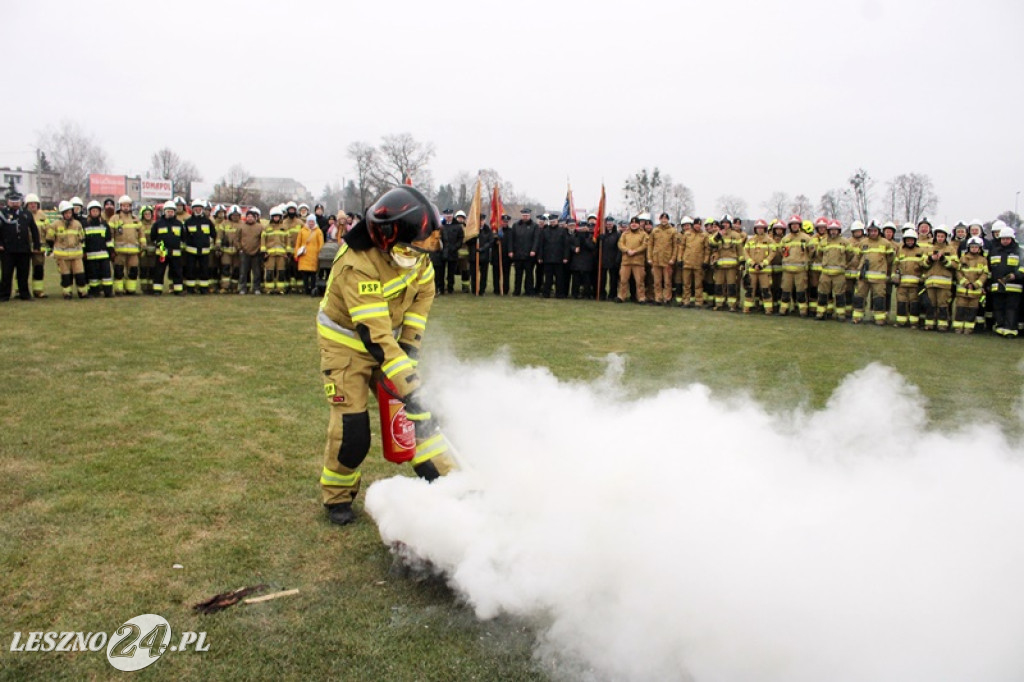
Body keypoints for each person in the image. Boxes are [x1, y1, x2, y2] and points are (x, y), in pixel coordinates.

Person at [316, 185, 454, 526]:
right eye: (410, 249)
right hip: (347, 346)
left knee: (418, 418)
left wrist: (409, 356)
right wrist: (411, 385)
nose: (418, 257)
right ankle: (337, 495)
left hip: (388, 346)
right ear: (386, 238)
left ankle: (449, 482)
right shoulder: (357, 264)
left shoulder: (418, 258)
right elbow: (374, 335)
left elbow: (420, 306)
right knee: (352, 430)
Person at [0, 191, 41, 302]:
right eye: (12, 201)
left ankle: (24, 294)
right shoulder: (2, 213)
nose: (15, 204)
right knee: (6, 274)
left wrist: (36, 245)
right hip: (7, 249)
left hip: (23, 249)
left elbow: (34, 230)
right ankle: (4, 295)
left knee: (23, 273)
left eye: (17, 201)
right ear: (8, 202)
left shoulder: (26, 214)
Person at [850, 221, 893, 325]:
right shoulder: (863, 243)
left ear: (879, 231)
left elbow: (890, 259)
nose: (873, 233)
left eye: (875, 231)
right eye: (871, 231)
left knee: (879, 297)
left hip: (879, 277)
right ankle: (857, 317)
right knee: (859, 296)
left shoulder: (886, 243)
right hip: (863, 276)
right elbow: (857, 257)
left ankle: (879, 318)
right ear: (868, 231)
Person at [920, 223, 958, 331]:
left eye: (942, 236)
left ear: (946, 237)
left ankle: (942, 325)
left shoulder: (951, 249)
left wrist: (944, 260)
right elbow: (922, 264)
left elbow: (955, 265)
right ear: (935, 236)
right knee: (931, 304)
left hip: (944, 284)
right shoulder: (929, 249)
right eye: (938, 236)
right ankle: (929, 324)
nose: (940, 238)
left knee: (943, 304)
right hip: (930, 283)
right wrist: (930, 259)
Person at [987, 221, 1022, 338]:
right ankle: (1000, 328)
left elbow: (1023, 267)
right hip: (997, 286)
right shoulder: (994, 251)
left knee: (1011, 309)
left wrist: (1016, 275)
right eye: (1003, 239)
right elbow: (989, 268)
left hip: (1014, 286)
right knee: (998, 308)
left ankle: (1010, 330)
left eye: (1007, 239)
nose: (1005, 241)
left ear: (1012, 239)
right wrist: (989, 283)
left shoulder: (1019, 251)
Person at [109, 195, 146, 295]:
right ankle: (119, 290)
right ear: (120, 206)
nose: (126, 208)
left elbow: (141, 233)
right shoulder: (114, 218)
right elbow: (110, 234)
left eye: (128, 206)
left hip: (134, 251)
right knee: (118, 271)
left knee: (133, 271)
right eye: (124, 206)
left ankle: (131, 290)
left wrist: (143, 245)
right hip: (119, 251)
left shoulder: (135, 219)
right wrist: (111, 248)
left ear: (130, 206)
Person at [779, 214, 814, 316]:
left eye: (796, 224)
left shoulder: (806, 238)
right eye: (792, 224)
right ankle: (783, 310)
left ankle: (803, 311)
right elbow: (781, 251)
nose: (794, 226)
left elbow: (811, 252)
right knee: (785, 291)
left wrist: (804, 260)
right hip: (787, 271)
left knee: (801, 291)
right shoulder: (785, 239)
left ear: (800, 225)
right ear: (790, 226)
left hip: (800, 270)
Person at [953, 236, 989, 334]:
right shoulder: (963, 259)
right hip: (962, 291)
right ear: (968, 248)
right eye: (972, 247)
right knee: (960, 309)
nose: (974, 249)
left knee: (972, 310)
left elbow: (985, 274)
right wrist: (966, 283)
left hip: (975, 292)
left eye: (976, 247)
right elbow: (958, 272)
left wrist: (976, 285)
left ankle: (968, 328)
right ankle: (958, 327)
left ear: (980, 248)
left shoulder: (983, 260)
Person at [708, 215, 743, 311]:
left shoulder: (736, 235)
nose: (725, 225)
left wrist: (742, 263)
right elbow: (711, 244)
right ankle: (719, 304)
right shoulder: (717, 234)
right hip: (719, 265)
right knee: (718, 285)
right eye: (723, 223)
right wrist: (719, 235)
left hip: (732, 266)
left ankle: (732, 305)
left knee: (731, 286)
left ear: (730, 224)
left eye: (727, 223)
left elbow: (740, 250)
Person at [892, 228, 926, 327]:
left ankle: (914, 323)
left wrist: (923, 278)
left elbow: (925, 267)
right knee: (901, 302)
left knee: (914, 303)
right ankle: (901, 322)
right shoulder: (900, 250)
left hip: (915, 284)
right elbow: (895, 264)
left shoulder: (920, 251)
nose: (909, 242)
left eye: (911, 240)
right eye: (907, 240)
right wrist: (894, 276)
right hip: (902, 284)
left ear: (915, 240)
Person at [82, 200, 115, 298]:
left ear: (100, 212)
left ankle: (108, 292)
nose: (95, 212)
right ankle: (94, 292)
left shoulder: (104, 225)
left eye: (97, 211)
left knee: (106, 275)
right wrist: (83, 252)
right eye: (93, 211)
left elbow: (108, 240)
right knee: (93, 276)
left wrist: (111, 251)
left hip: (104, 256)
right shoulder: (85, 225)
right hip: (91, 256)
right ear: (89, 212)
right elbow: (83, 241)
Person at [151, 202, 185, 295]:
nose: (170, 213)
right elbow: (153, 237)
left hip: (175, 252)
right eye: (168, 211)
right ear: (164, 212)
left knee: (177, 272)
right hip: (162, 251)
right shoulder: (158, 224)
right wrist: (159, 245)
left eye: (171, 212)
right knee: (159, 271)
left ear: (174, 212)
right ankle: (157, 290)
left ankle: (178, 290)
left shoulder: (179, 224)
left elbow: (183, 237)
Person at [182, 199, 216, 294]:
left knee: (204, 270)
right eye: (196, 208)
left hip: (204, 251)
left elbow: (213, 234)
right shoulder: (188, 222)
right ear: (192, 209)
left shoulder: (207, 221)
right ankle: (190, 289)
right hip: (191, 251)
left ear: (202, 209)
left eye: (200, 208)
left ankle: (204, 289)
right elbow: (184, 236)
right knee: (191, 270)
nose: (198, 210)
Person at [535, 214, 572, 298]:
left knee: (559, 278)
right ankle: (546, 293)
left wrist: (566, 257)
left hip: (559, 259)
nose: (552, 223)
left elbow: (566, 245)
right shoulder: (545, 231)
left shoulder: (562, 231)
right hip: (547, 258)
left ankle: (559, 294)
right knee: (548, 278)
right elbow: (541, 245)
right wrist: (540, 257)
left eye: (554, 221)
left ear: (557, 221)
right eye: (551, 222)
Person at [742, 219, 774, 314]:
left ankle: (768, 310)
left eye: (762, 228)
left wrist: (762, 264)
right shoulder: (750, 240)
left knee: (765, 290)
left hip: (764, 271)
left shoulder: (770, 241)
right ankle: (747, 308)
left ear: (765, 229)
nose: (760, 229)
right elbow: (745, 253)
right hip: (752, 270)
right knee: (750, 290)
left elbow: (772, 254)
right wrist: (753, 264)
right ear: (755, 229)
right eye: (758, 228)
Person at [647, 212, 678, 305]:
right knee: (657, 281)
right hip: (656, 260)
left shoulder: (673, 231)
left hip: (667, 260)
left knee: (667, 282)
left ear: (668, 220)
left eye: (666, 218)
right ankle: (658, 298)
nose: (664, 220)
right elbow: (650, 245)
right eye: (662, 218)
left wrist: (673, 258)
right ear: (660, 219)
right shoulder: (655, 231)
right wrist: (649, 258)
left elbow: (675, 246)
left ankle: (667, 298)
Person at [617, 216, 649, 303]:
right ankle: (621, 297)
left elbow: (645, 245)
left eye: (636, 223)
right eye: (632, 223)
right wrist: (627, 250)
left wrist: (635, 251)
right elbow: (620, 244)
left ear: (639, 224)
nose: (634, 224)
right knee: (623, 280)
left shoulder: (643, 234)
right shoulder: (625, 234)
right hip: (626, 261)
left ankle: (641, 298)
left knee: (639, 281)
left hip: (638, 262)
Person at [676, 216, 706, 308]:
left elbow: (707, 250)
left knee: (698, 285)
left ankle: (698, 302)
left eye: (699, 224)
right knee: (686, 284)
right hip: (687, 263)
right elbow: (681, 247)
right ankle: (686, 301)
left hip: (698, 263)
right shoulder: (687, 234)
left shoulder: (704, 236)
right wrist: (680, 259)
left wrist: (705, 261)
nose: (697, 226)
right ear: (693, 225)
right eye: (696, 224)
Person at [23, 193, 48, 297]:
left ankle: (38, 291)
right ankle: (19, 290)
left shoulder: (43, 216)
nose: (33, 205)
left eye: (35, 203)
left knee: (38, 269)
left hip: (39, 247)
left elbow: (48, 231)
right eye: (30, 203)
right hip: (25, 247)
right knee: (22, 269)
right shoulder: (22, 215)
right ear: (26, 205)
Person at [508, 208, 538, 296]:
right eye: (524, 215)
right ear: (521, 215)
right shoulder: (516, 225)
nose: (525, 217)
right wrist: (510, 250)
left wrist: (533, 250)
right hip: (518, 255)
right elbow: (511, 239)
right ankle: (517, 291)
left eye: (527, 215)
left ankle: (529, 291)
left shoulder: (534, 226)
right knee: (518, 274)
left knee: (529, 275)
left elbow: (536, 240)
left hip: (529, 255)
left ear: (529, 215)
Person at [261, 206, 289, 294]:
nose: (276, 218)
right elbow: (263, 240)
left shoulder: (284, 227)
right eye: (274, 216)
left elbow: (288, 240)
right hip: (270, 254)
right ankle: (269, 289)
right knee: (269, 272)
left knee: (281, 272)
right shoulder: (267, 228)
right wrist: (264, 252)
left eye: (278, 216)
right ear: (271, 217)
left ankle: (280, 289)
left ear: (280, 217)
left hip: (282, 255)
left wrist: (287, 252)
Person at [295, 213, 325, 295]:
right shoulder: (302, 231)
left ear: (315, 222)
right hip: (303, 256)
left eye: (312, 221)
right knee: (305, 275)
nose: (311, 223)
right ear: (307, 222)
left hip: (314, 256)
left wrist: (319, 254)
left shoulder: (318, 231)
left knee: (313, 275)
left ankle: (312, 289)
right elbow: (298, 243)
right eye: (309, 221)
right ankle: (306, 289)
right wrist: (296, 254)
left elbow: (321, 244)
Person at [237, 208, 264, 295]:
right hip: (244, 252)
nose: (250, 218)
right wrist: (240, 248)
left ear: (255, 218)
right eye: (248, 217)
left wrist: (260, 249)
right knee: (243, 272)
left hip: (256, 253)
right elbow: (237, 238)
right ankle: (243, 288)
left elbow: (263, 239)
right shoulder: (242, 227)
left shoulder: (260, 227)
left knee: (257, 272)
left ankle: (256, 288)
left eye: (251, 217)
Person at [570, 219, 597, 299]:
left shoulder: (591, 237)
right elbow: (569, 245)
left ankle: (587, 294)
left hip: (587, 260)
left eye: (583, 227)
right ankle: (575, 294)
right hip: (576, 260)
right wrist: (574, 249)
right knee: (576, 279)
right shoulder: (574, 236)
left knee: (587, 279)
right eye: (580, 227)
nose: (582, 229)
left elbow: (592, 247)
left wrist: (585, 240)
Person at [439, 210, 465, 294]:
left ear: (452, 216)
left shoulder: (457, 226)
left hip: (453, 252)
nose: (448, 216)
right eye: (446, 215)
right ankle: (441, 288)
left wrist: (455, 247)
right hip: (442, 252)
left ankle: (450, 288)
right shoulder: (440, 225)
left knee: (451, 272)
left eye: (450, 215)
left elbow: (460, 239)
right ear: (444, 216)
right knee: (441, 272)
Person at [218, 205, 242, 293]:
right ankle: (225, 287)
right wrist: (218, 246)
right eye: (233, 215)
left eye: (237, 215)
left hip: (237, 251)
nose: (235, 217)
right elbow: (219, 236)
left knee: (236, 269)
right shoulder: (224, 224)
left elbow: (244, 238)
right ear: (230, 215)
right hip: (225, 251)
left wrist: (240, 247)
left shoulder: (242, 224)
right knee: (225, 268)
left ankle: (234, 287)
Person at [597, 216, 621, 301]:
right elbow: (597, 248)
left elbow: (619, 248)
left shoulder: (617, 235)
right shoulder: (602, 234)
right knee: (602, 279)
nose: (609, 225)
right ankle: (602, 294)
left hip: (613, 260)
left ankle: (612, 295)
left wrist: (617, 259)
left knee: (613, 279)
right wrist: (599, 239)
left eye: (610, 224)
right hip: (603, 259)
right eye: (607, 224)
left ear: (613, 224)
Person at [138, 206, 156, 293]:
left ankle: (151, 287)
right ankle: (144, 288)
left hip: (154, 251)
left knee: (153, 269)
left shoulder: (155, 224)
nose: (148, 215)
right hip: (143, 251)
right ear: (142, 215)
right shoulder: (139, 225)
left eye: (149, 213)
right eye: (145, 214)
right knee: (143, 269)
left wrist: (162, 251)